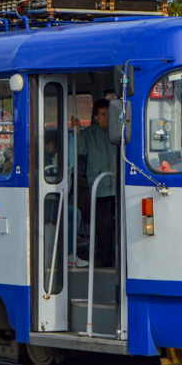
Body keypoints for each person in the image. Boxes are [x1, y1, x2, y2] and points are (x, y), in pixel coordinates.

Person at [73, 98, 118, 267]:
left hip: (117, 185)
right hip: (99, 186)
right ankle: (105, 256)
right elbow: (80, 149)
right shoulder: (89, 133)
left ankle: (117, 255)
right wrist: (77, 130)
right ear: (95, 117)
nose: (106, 117)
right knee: (103, 226)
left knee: (116, 224)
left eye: (109, 114)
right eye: (103, 114)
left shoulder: (118, 132)